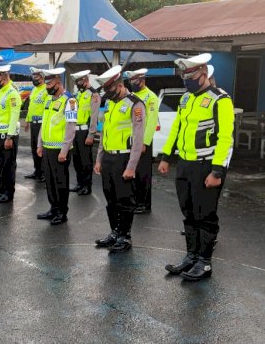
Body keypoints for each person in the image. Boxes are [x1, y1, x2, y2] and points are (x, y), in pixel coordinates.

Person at [158, 54, 234, 281]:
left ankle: (204, 261)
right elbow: (176, 129)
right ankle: (191, 256)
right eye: (184, 77)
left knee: (205, 214)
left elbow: (225, 138)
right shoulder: (186, 99)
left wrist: (217, 171)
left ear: (203, 74)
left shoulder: (220, 100)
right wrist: (165, 157)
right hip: (185, 164)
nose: (186, 81)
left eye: (190, 77)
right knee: (188, 211)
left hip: (206, 166)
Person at [93, 65, 146, 252]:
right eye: (105, 89)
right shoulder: (111, 104)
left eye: (110, 88)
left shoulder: (135, 104)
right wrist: (99, 159)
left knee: (124, 199)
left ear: (119, 84)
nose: (107, 92)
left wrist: (131, 166)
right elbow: (104, 133)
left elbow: (138, 139)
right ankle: (114, 232)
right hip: (108, 156)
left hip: (124, 158)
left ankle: (125, 236)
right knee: (110, 198)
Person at [35, 67, 77, 225]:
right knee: (50, 181)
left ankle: (61, 212)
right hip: (47, 148)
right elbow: (44, 124)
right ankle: (53, 208)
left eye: (50, 85)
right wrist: (40, 144)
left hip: (60, 150)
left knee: (60, 181)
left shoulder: (70, 101)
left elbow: (70, 127)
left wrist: (64, 150)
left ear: (58, 82)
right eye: (46, 85)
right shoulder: (48, 100)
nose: (47, 88)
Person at [124, 68, 159, 214]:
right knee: (132, 171)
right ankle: (134, 200)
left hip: (143, 141)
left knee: (143, 173)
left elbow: (151, 121)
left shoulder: (150, 97)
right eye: (131, 81)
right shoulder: (130, 96)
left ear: (142, 80)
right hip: (130, 140)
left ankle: (144, 204)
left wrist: (145, 142)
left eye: (135, 81)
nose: (132, 84)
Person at [0, 65, 21, 204]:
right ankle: (1, 190)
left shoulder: (12, 93)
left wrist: (9, 137)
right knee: (0, 164)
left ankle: (8, 193)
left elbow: (14, 116)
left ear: (5, 76)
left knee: (8, 164)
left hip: (7, 135)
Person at [69, 70, 101, 196]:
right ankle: (79, 183)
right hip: (75, 131)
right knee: (76, 159)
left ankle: (87, 186)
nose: (77, 84)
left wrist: (91, 134)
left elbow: (94, 116)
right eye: (76, 81)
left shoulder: (94, 94)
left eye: (79, 81)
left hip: (85, 131)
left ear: (86, 79)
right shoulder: (78, 94)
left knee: (85, 160)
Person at [23, 67, 48, 182]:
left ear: (42, 77)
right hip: (33, 123)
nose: (34, 79)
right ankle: (37, 170)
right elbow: (31, 107)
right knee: (34, 148)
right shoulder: (34, 89)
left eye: (36, 77)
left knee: (40, 148)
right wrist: (27, 121)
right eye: (33, 77)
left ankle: (43, 172)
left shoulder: (46, 90)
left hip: (42, 123)